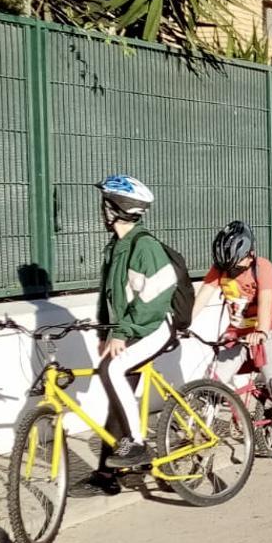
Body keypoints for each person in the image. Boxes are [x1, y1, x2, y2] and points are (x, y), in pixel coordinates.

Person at [191, 221, 272, 467]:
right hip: (237, 331)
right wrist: (182, 324)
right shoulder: (220, 269)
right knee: (211, 384)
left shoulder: (262, 266)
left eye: (236, 266)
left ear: (250, 254)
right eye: (227, 268)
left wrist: (262, 331)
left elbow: (266, 301)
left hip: (271, 331)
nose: (231, 272)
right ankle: (201, 438)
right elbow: (202, 296)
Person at [89, 175, 177, 493]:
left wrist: (122, 332)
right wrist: (106, 330)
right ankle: (113, 472)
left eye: (105, 204)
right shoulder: (116, 246)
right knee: (116, 385)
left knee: (111, 370)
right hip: (131, 329)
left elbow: (155, 300)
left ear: (117, 208)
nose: (101, 211)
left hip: (154, 328)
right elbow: (110, 295)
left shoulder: (145, 246)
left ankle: (137, 445)